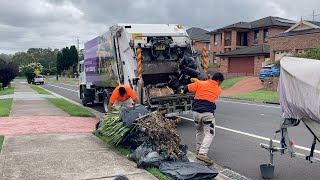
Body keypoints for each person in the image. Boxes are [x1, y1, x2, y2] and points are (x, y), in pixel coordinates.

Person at [183, 72, 224, 164]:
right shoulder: (218, 90)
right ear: (218, 81)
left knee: (199, 130)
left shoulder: (200, 83)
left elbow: (187, 88)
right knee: (210, 134)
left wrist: (184, 93)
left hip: (196, 112)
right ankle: (202, 153)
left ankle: (198, 149)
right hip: (207, 113)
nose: (221, 84)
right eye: (221, 82)